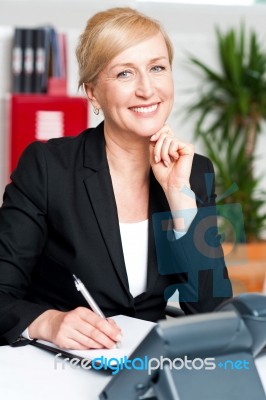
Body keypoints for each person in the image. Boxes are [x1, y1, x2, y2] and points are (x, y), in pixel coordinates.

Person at [0, 7, 232, 349]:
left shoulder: (194, 170)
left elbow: (213, 312)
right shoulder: (49, 167)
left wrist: (180, 198)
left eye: (157, 68)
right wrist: (48, 322)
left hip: (149, 365)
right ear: (93, 92)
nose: (147, 89)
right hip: (60, 362)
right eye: (125, 74)